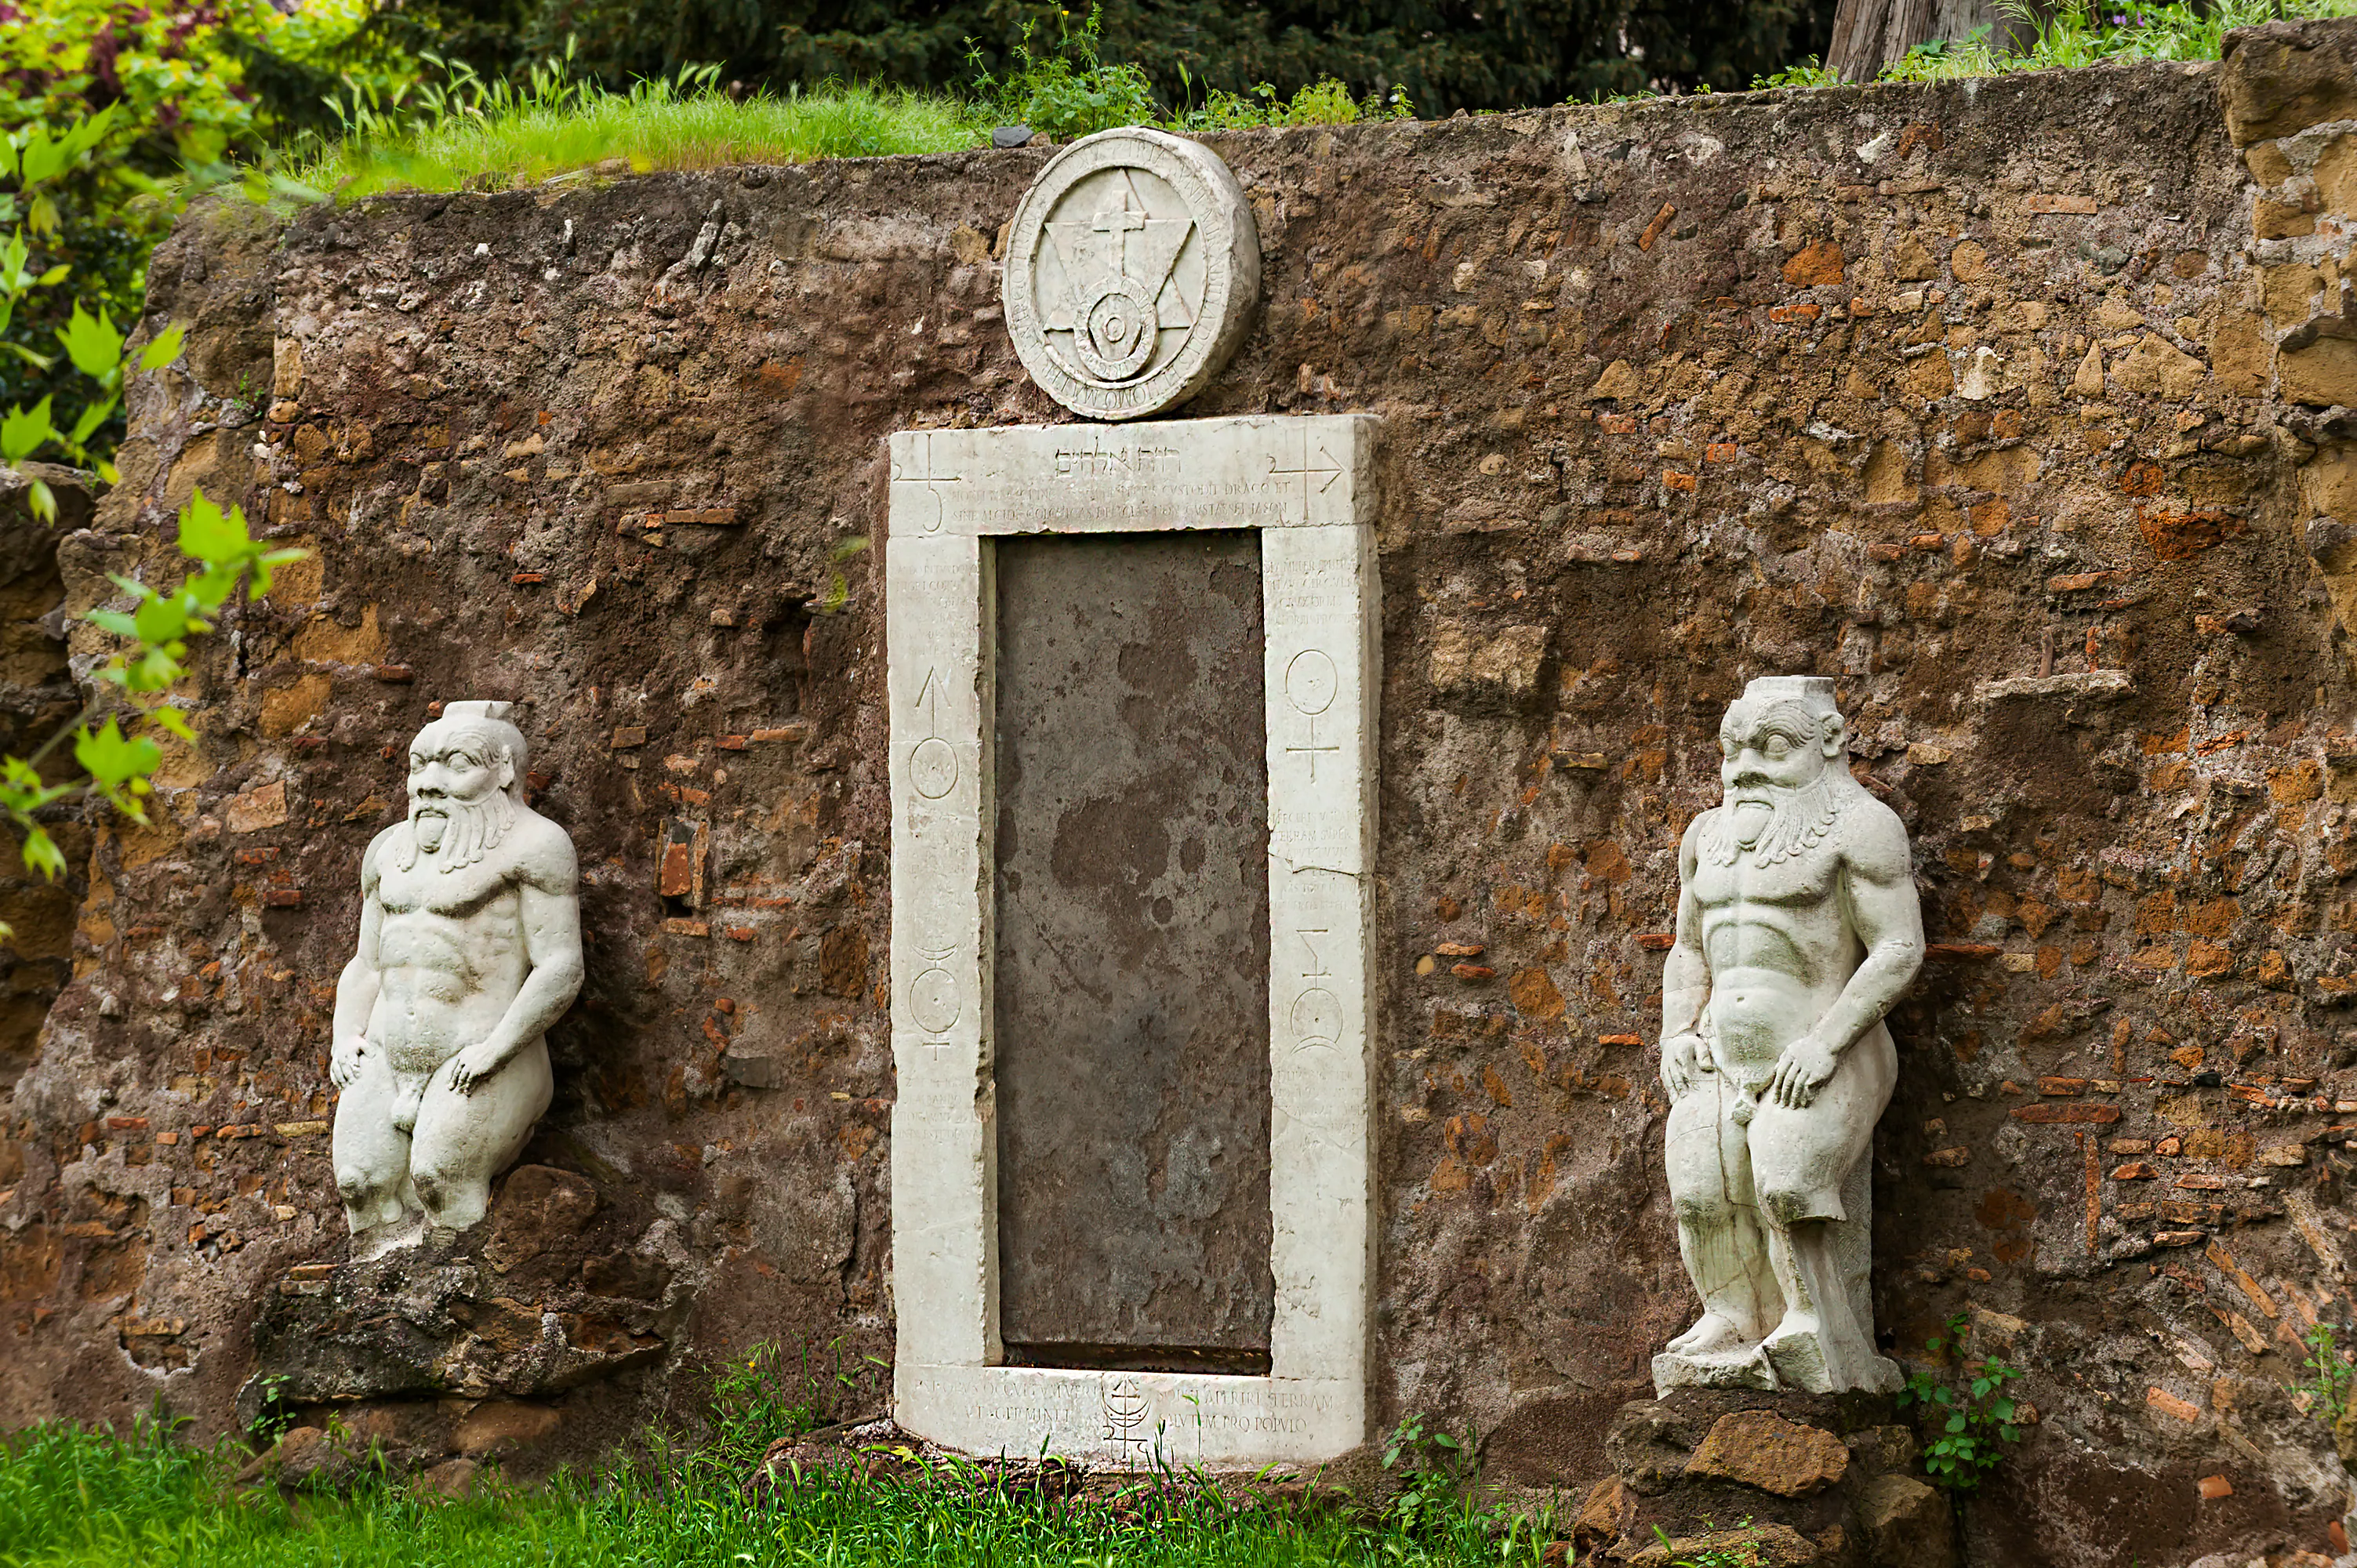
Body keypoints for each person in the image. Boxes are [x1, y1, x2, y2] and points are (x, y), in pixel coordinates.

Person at [1655, 676, 1923, 1395]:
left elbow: (1898, 948)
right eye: (1734, 749)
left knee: (1785, 1181)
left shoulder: (1860, 827)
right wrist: (1676, 1032)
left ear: (1828, 743)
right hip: (1719, 1050)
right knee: (1699, 1189)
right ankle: (1730, 1315)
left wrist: (1825, 1044)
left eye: (1772, 748)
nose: (1745, 768)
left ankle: (1814, 1323)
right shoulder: (1706, 837)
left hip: (1825, 1045)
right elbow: (1688, 948)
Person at [329, 701, 583, 1258]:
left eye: (456, 764)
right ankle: (373, 1294)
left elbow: (561, 966)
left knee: (442, 1178)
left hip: (479, 1054)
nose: (429, 783)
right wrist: (345, 1036)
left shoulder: (536, 846)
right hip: (388, 1053)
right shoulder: (387, 852)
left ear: (504, 771)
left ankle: (456, 1295)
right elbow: (367, 963)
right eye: (420, 765)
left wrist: (495, 1050)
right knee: (359, 1182)